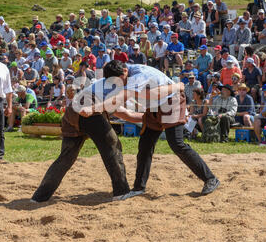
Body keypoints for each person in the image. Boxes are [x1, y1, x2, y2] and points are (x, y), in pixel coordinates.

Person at [82, 60, 220, 197]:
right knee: (145, 145)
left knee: (177, 144)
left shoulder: (138, 75)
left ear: (125, 71)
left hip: (172, 101)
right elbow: (124, 111)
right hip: (154, 106)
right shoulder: (121, 76)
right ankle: (138, 188)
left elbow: (129, 98)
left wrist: (93, 108)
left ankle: (210, 178)